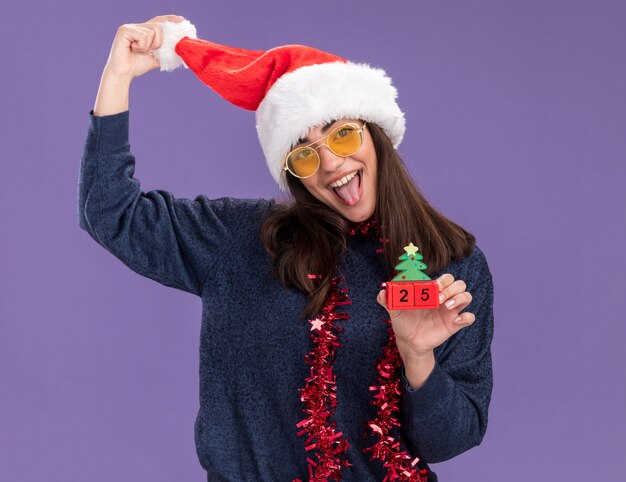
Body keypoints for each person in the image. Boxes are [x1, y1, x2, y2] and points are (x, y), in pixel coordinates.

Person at [78, 14, 494, 482]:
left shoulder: (450, 266)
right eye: (304, 152)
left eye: (343, 133)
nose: (332, 163)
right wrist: (116, 78)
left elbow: (453, 440)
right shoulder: (240, 238)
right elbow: (110, 213)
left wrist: (418, 357)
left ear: (376, 133)